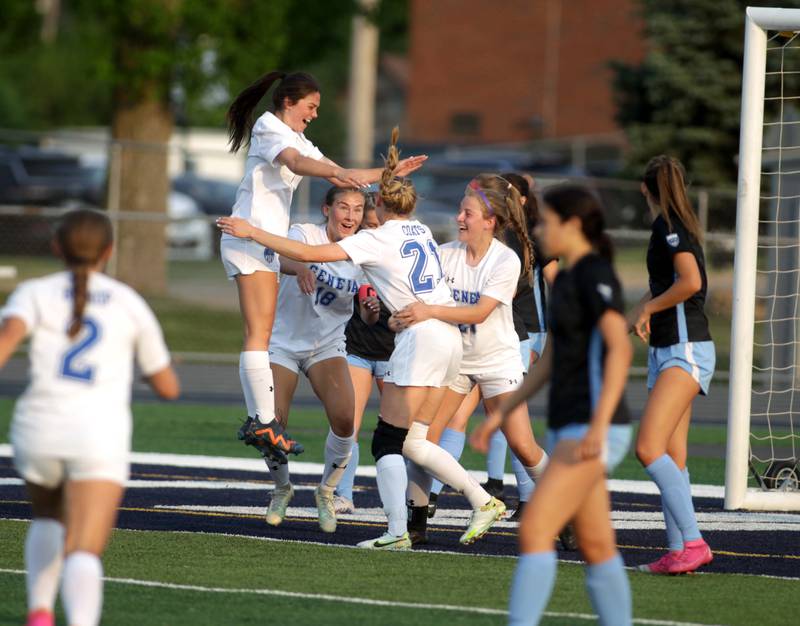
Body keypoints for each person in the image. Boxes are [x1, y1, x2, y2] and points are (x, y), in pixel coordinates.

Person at [218, 127, 505, 550]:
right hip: (448, 339)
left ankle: (395, 532)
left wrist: (252, 231)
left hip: (422, 337)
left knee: (386, 441)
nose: (361, 216)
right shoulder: (421, 232)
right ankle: (483, 500)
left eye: (367, 208)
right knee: (415, 441)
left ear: (380, 207)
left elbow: (312, 255)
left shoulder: (375, 239)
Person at [222, 71, 426, 459]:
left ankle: (263, 422)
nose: (314, 114)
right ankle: (262, 421)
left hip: (261, 241)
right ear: (288, 102)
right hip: (248, 236)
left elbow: (344, 175)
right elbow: (296, 163)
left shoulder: (297, 137)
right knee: (259, 335)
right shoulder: (270, 127)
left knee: (260, 334)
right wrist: (336, 172)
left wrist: (389, 174)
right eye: (311, 106)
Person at [0, 209, 179, 626]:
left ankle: (40, 612)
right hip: (97, 434)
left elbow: (6, 342)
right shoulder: (127, 302)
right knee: (83, 548)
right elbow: (168, 386)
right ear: (109, 251)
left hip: (38, 427)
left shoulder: (34, 292)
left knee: (47, 517)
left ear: (56, 247)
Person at [502, 186, 633, 626]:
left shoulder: (596, 274)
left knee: (536, 529)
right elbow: (553, 358)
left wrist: (599, 425)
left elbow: (620, 349)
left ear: (573, 225)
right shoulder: (564, 278)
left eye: (547, 222)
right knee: (596, 545)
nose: (539, 230)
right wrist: (505, 411)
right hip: (569, 424)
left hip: (593, 427)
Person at [392, 174, 548, 543]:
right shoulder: (444, 254)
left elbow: (479, 313)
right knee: (422, 440)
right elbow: (415, 299)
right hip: (456, 361)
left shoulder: (505, 260)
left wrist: (426, 310)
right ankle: (415, 525)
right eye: (461, 210)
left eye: (468, 212)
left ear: (491, 221)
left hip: (498, 361)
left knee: (524, 446)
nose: (459, 218)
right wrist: (397, 314)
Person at [262, 186, 378, 533]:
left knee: (346, 419)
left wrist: (370, 310)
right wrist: (299, 267)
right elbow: (275, 255)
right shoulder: (304, 234)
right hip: (282, 342)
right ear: (327, 209)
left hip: (326, 345)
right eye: (343, 206)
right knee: (271, 423)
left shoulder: (363, 253)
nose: (351, 215)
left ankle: (326, 492)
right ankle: (282, 487)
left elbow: (368, 312)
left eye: (357, 209)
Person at [629, 155, 715, 575]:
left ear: (645, 188)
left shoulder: (670, 228)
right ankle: (679, 549)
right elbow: (663, 288)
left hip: (686, 349)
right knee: (673, 457)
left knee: (649, 448)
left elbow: (690, 283)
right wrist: (632, 316)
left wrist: (648, 310)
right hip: (667, 349)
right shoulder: (667, 226)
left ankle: (695, 542)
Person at [335, 196, 396, 514]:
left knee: (399, 431)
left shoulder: (398, 254)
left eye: (377, 226)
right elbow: (366, 311)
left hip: (394, 352)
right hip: (357, 349)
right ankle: (342, 493)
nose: (372, 232)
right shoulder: (353, 255)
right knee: (348, 425)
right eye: (367, 226)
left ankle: (408, 499)